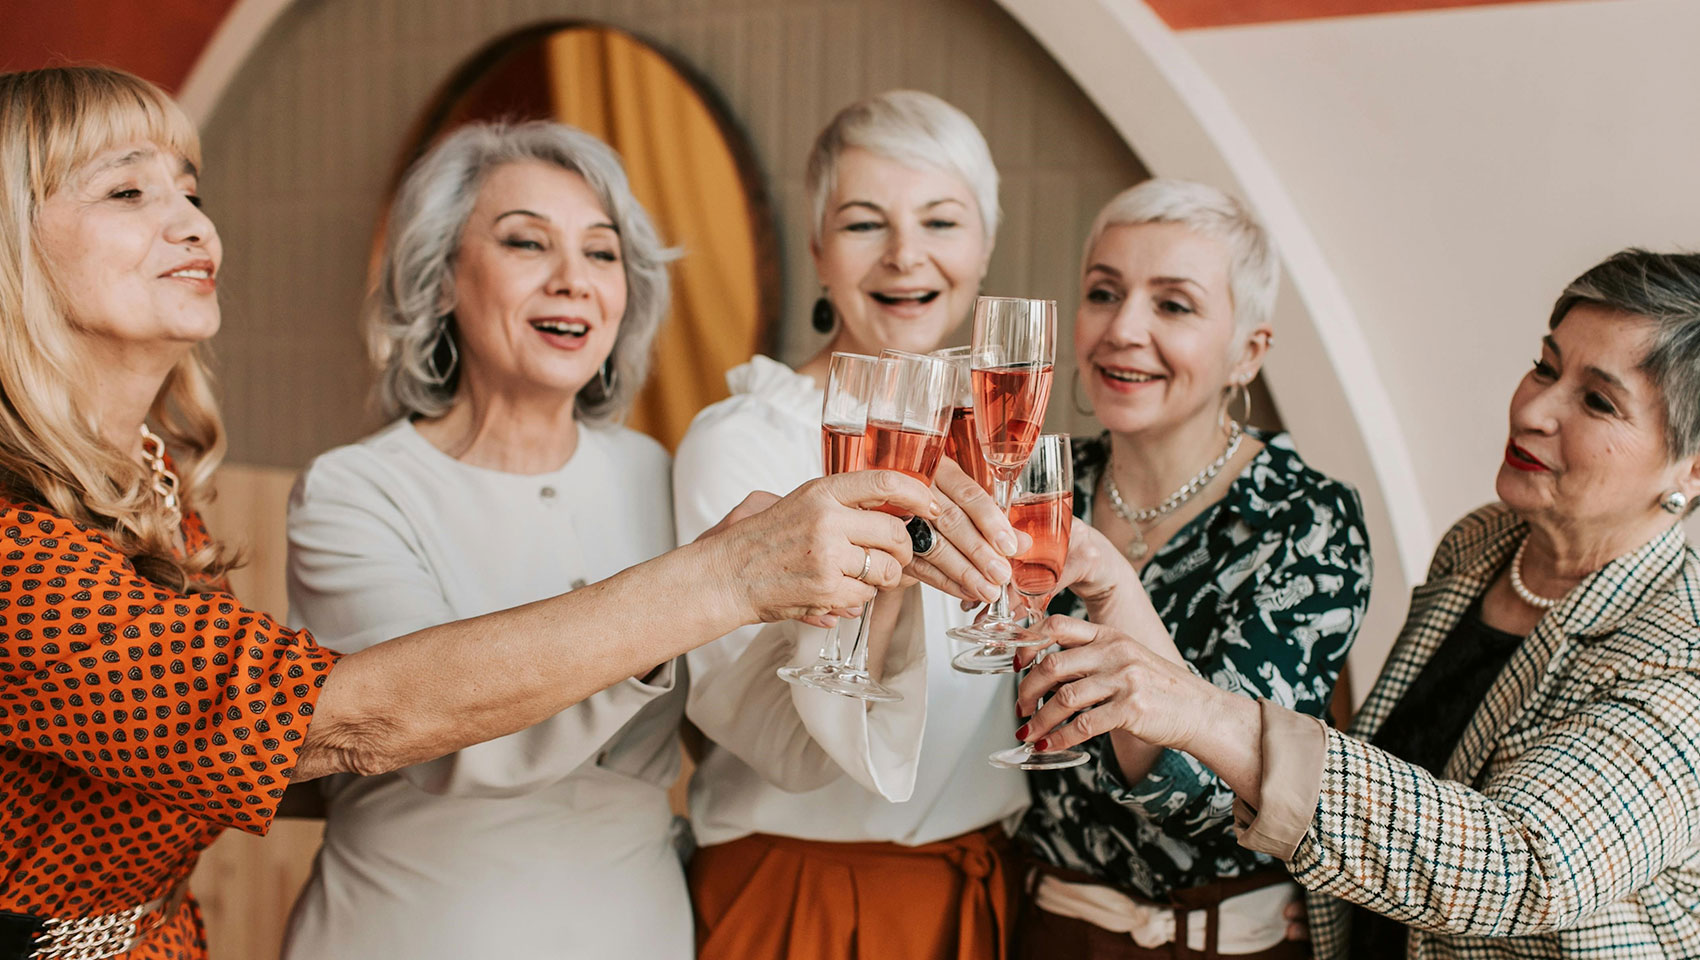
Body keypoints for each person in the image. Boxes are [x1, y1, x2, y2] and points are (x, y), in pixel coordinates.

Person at [0, 65, 932, 960]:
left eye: (191, 190)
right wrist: (722, 577)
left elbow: (172, 746)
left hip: (626, 925)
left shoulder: (150, 487)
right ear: (442, 276)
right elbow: (335, 721)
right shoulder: (39, 544)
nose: (196, 225)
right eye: (127, 193)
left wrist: (883, 605)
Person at [1017, 248, 1700, 958]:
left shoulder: (1682, 652)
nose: (1533, 408)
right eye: (1545, 367)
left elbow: (1517, 868)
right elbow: (1402, 779)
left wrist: (1196, 708)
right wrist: (1318, 902)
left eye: (1597, 401)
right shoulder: (1483, 546)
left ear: (1693, 465)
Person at [277, 120, 697, 958]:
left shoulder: (661, 472)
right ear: (438, 282)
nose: (574, 281)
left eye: (602, 253)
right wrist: (697, 592)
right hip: (408, 932)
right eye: (526, 244)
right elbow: (437, 740)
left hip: (634, 928)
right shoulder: (355, 490)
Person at [673, 90, 1029, 960]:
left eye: (941, 221)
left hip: (980, 890)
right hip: (798, 897)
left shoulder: (1011, 440)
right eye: (866, 223)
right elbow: (764, 734)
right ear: (818, 251)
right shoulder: (745, 440)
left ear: (983, 244)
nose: (907, 255)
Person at [993, 179, 1369, 959]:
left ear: (1248, 352)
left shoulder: (1308, 520)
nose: (1124, 329)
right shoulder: (1039, 481)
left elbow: (1216, 791)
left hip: (1219, 945)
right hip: (1042, 931)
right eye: (1104, 293)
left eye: (1173, 305)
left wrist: (1113, 584)